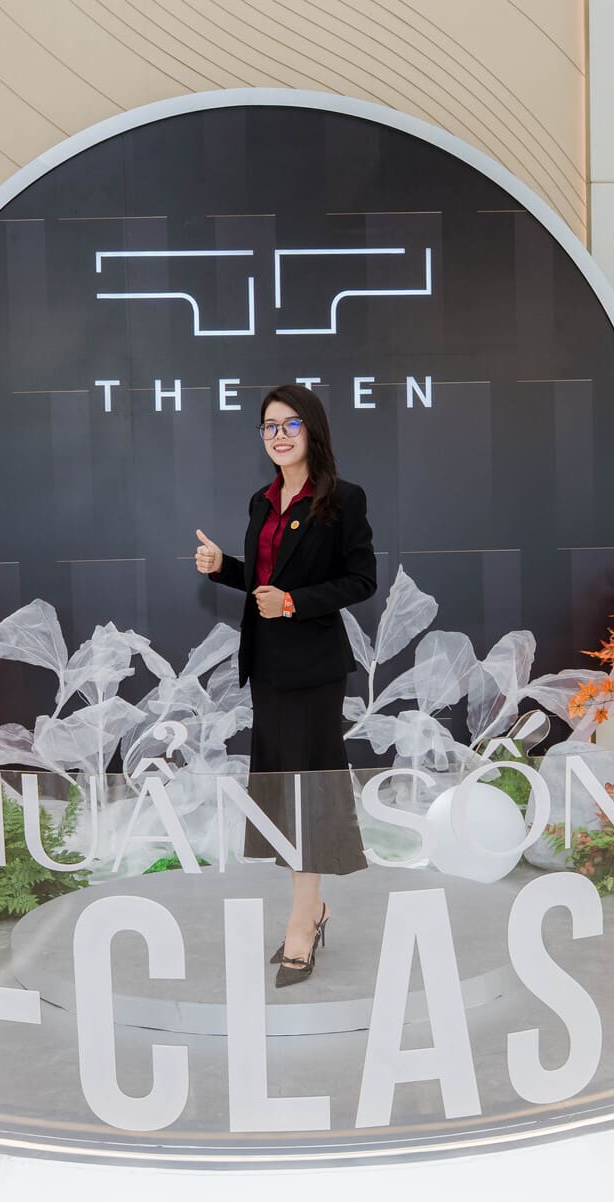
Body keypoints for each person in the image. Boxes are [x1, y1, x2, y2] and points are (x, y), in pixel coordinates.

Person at [194, 384, 375, 987]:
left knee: (308, 793)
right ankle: (313, 907)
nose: (278, 435)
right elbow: (263, 580)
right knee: (282, 794)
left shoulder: (343, 499)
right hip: (267, 667)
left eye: (289, 424)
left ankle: (302, 921)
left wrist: (294, 602)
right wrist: (224, 569)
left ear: (311, 430)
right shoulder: (261, 501)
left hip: (313, 670)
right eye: (269, 426)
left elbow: (361, 581)